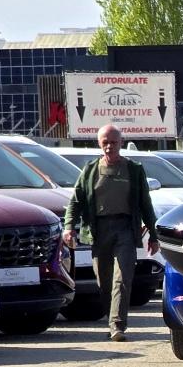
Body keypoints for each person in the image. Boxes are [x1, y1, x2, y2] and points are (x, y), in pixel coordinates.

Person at [62, 124, 158, 342]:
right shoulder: (90, 170)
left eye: (113, 142)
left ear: (121, 143)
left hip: (125, 229)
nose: (109, 147)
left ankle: (117, 325)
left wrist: (153, 236)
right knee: (104, 281)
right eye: (105, 142)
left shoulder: (133, 169)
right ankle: (111, 320)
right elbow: (76, 201)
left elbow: (145, 204)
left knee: (122, 277)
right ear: (99, 143)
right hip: (99, 231)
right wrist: (69, 227)